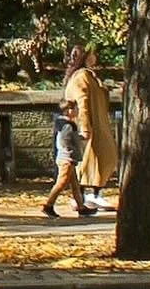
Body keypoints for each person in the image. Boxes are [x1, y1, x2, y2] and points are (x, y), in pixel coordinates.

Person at [73, 46, 119, 208]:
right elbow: (82, 102)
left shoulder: (90, 76)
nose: (95, 57)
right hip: (91, 126)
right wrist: (84, 126)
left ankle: (94, 193)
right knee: (89, 161)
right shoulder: (81, 77)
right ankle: (86, 194)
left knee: (104, 158)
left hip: (99, 125)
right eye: (92, 54)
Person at [42, 96, 95, 216]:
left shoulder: (63, 123)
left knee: (75, 185)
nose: (77, 111)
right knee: (61, 183)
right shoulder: (68, 125)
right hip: (67, 158)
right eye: (76, 109)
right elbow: (65, 140)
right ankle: (48, 205)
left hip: (66, 157)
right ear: (69, 110)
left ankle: (81, 207)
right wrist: (70, 151)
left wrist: (79, 138)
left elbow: (68, 138)